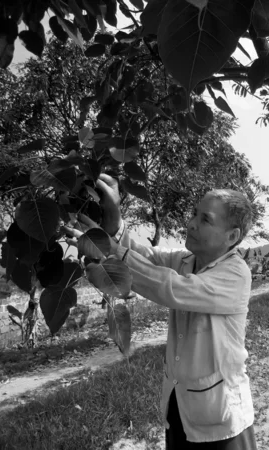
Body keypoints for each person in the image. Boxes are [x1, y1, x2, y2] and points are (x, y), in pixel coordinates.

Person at [64, 174, 257, 449]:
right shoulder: (187, 260)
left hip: (220, 417)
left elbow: (170, 287)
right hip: (181, 406)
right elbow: (145, 257)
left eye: (205, 219)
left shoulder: (235, 274)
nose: (190, 223)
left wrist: (109, 250)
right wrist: (112, 213)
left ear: (232, 236)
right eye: (194, 214)